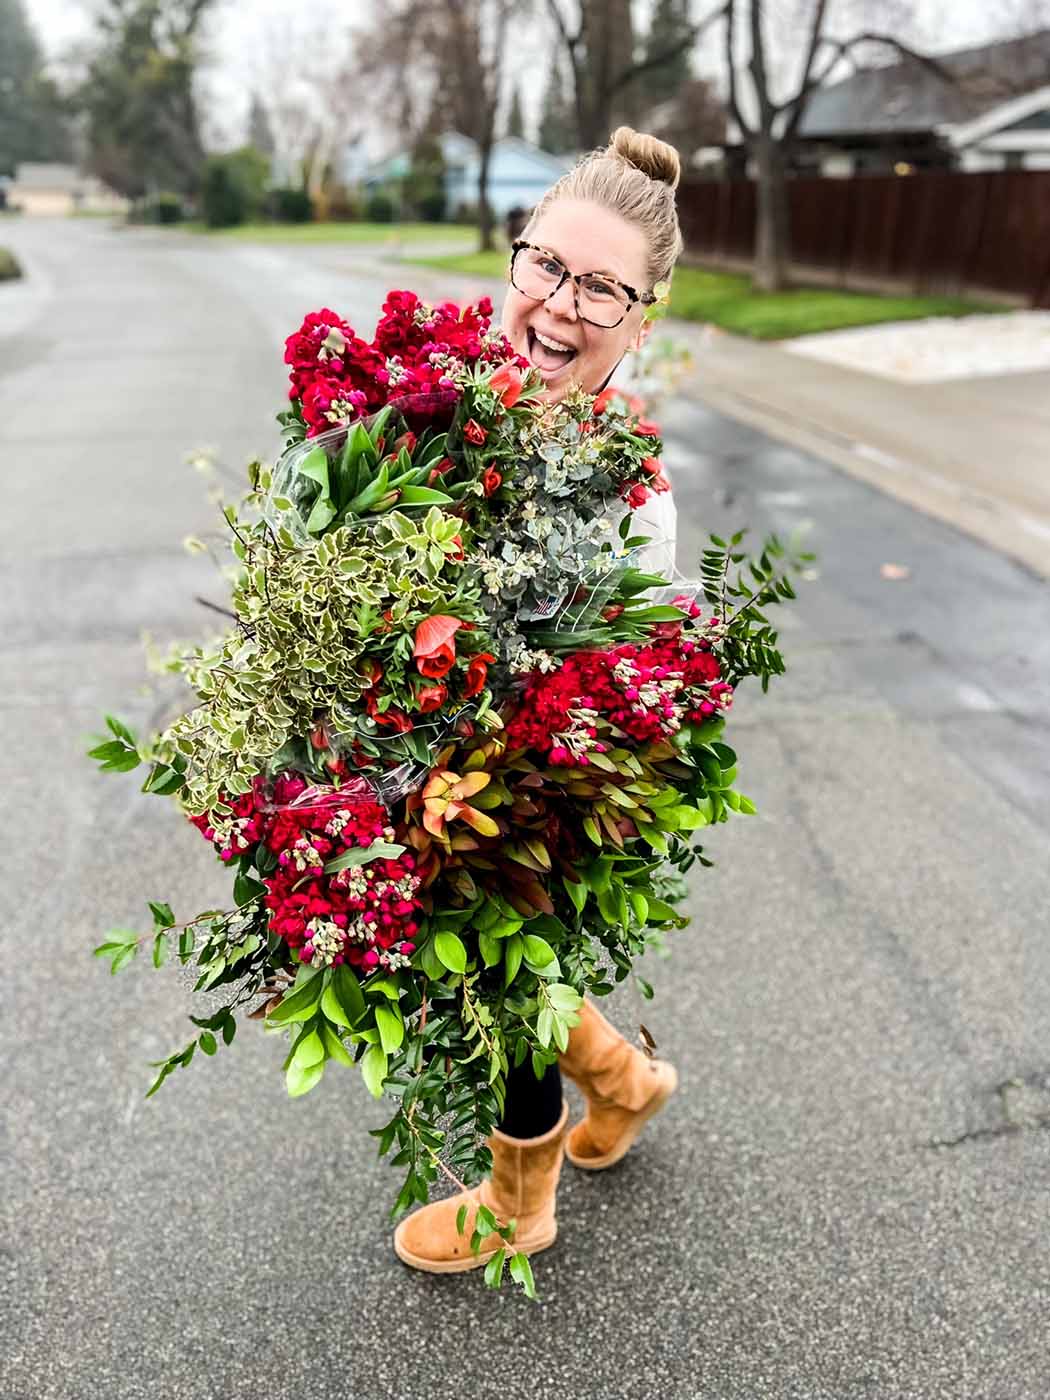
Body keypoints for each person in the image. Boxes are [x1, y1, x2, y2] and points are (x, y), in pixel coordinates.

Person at [394, 126, 684, 1274]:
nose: (561, 306)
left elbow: (622, 681)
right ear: (514, 263)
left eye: (602, 288)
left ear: (641, 319)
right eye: (545, 266)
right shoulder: (438, 394)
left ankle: (523, 1195)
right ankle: (626, 1079)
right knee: (481, 953)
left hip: (529, 775)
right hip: (419, 747)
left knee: (504, 955)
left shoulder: (636, 499)